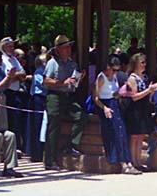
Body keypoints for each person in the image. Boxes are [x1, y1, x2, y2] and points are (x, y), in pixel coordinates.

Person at [42, 34, 85, 169]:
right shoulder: (52, 63)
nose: (68, 50)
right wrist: (61, 83)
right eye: (65, 47)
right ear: (58, 50)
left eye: (69, 47)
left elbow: (73, 84)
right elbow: (45, 81)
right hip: (55, 96)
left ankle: (71, 144)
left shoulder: (72, 63)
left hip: (68, 96)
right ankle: (50, 160)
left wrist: (79, 79)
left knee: (81, 115)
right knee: (54, 125)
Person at [94, 55, 140, 174]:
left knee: (122, 132)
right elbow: (95, 97)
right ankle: (122, 163)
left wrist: (122, 93)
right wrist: (105, 108)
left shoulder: (114, 77)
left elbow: (114, 93)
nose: (115, 72)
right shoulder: (101, 77)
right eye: (113, 70)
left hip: (115, 104)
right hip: (105, 105)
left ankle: (128, 161)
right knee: (115, 133)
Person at [121, 53, 156, 169]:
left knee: (141, 136)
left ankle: (139, 162)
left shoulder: (144, 77)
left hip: (144, 109)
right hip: (134, 109)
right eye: (142, 62)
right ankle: (133, 161)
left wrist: (151, 92)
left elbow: (146, 95)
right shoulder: (132, 78)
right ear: (136, 63)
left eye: (145, 62)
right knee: (134, 136)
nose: (144, 65)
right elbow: (134, 96)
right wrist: (148, 91)